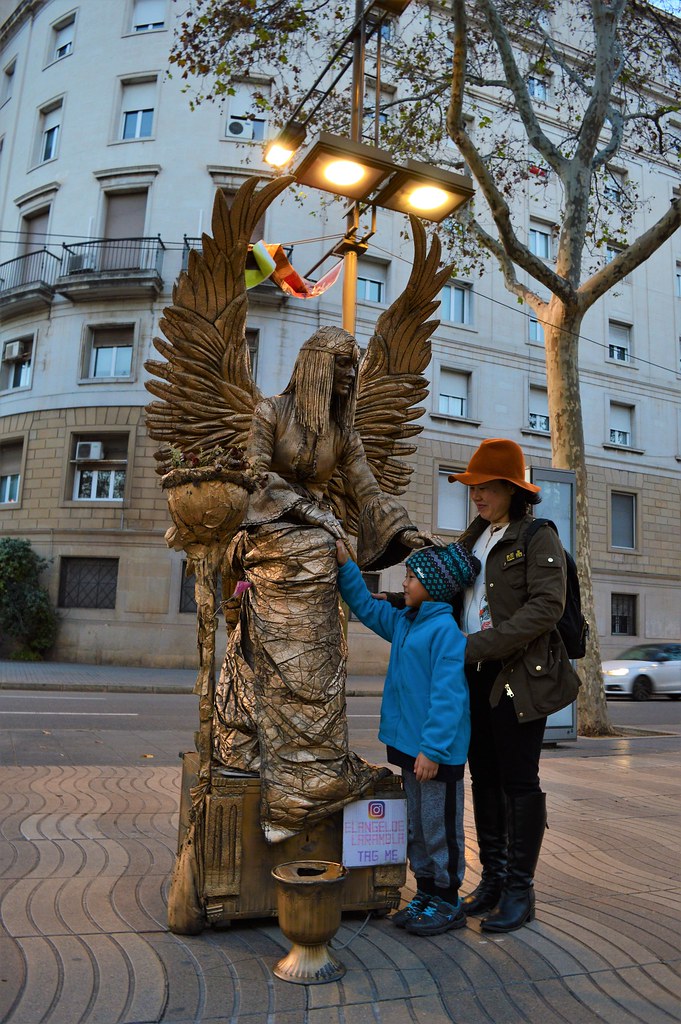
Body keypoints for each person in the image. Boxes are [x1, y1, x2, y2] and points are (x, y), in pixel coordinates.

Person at [212, 326, 433, 842]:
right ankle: (279, 757)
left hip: (320, 534)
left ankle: (317, 759)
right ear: (315, 366)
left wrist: (402, 529)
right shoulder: (271, 412)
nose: (350, 376)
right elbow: (255, 478)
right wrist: (307, 510)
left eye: (354, 367)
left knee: (329, 556)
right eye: (342, 366)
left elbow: (367, 489)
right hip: (269, 528)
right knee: (315, 547)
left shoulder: (344, 432)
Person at [449, 438, 580, 933]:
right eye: (472, 487)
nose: (475, 495)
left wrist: (479, 646)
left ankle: (521, 892)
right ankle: (494, 880)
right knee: (483, 776)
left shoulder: (536, 535)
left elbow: (546, 608)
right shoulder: (476, 534)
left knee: (519, 781)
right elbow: (447, 585)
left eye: (484, 487)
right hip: (475, 677)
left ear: (511, 488)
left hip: (519, 678)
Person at [336, 537, 481, 936]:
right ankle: (426, 891)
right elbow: (365, 607)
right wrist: (347, 565)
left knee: (439, 827)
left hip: (436, 755)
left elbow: (449, 697)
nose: (405, 583)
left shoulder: (445, 633)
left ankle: (448, 900)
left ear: (433, 586)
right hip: (408, 749)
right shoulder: (404, 622)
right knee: (416, 825)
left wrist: (432, 750)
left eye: (412, 577)